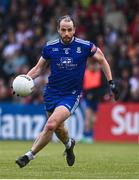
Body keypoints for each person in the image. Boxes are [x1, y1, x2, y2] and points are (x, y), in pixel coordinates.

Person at [15, 15, 119, 168]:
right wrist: (22, 81)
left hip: (71, 95)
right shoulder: (50, 47)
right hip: (51, 93)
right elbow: (38, 69)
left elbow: (102, 59)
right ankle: (69, 144)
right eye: (63, 30)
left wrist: (111, 82)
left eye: (69, 30)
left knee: (50, 125)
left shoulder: (85, 46)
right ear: (58, 30)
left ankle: (28, 155)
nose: (66, 33)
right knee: (58, 128)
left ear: (74, 30)